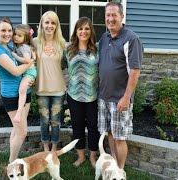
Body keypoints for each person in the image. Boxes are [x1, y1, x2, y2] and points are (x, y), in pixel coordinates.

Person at [98, 2, 143, 169]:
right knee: (110, 133)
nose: (110, 19)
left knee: (119, 137)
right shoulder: (104, 38)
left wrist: (126, 97)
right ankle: (114, 167)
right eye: (107, 15)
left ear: (122, 16)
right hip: (103, 97)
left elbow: (135, 72)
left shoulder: (131, 39)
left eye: (114, 15)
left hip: (120, 99)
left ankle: (120, 170)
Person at [0, 17, 33, 163]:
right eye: (3, 30)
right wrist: (31, 64)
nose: (7, 33)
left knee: (16, 129)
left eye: (9, 30)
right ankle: (12, 163)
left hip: (24, 92)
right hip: (12, 95)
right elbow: (15, 71)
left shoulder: (8, 47)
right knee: (22, 132)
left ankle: (12, 160)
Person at [66, 17, 100, 167]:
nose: (83, 31)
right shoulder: (68, 50)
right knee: (77, 126)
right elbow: (57, 65)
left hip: (92, 96)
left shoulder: (97, 49)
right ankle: (80, 156)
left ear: (91, 31)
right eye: (80, 28)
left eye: (87, 28)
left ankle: (93, 156)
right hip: (74, 95)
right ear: (76, 31)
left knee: (93, 127)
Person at [33, 11, 66, 152]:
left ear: (57, 25)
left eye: (53, 22)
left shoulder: (62, 43)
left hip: (58, 89)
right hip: (41, 89)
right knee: (45, 120)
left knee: (55, 120)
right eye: (47, 22)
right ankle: (45, 146)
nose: (49, 25)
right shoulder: (35, 42)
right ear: (41, 24)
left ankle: (54, 148)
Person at [11, 24, 37, 123]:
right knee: (22, 90)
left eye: (19, 35)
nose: (16, 37)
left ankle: (19, 113)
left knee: (22, 90)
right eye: (15, 34)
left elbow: (27, 61)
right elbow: (33, 57)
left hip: (29, 72)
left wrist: (14, 55)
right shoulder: (18, 46)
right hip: (25, 72)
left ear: (25, 38)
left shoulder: (24, 47)